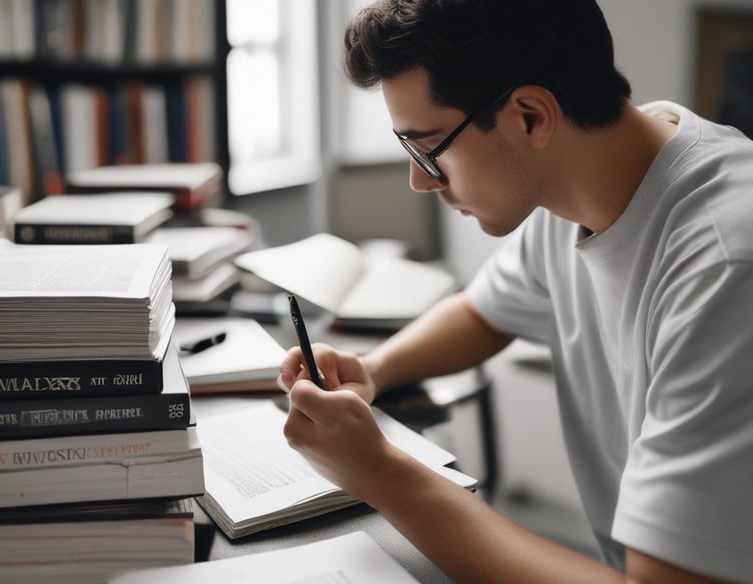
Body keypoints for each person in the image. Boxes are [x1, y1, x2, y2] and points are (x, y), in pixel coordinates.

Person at [278, 1, 753, 582]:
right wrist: (374, 369)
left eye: (426, 147)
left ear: (530, 116)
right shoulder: (582, 181)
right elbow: (485, 311)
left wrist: (380, 472)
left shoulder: (726, 264)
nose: (419, 179)